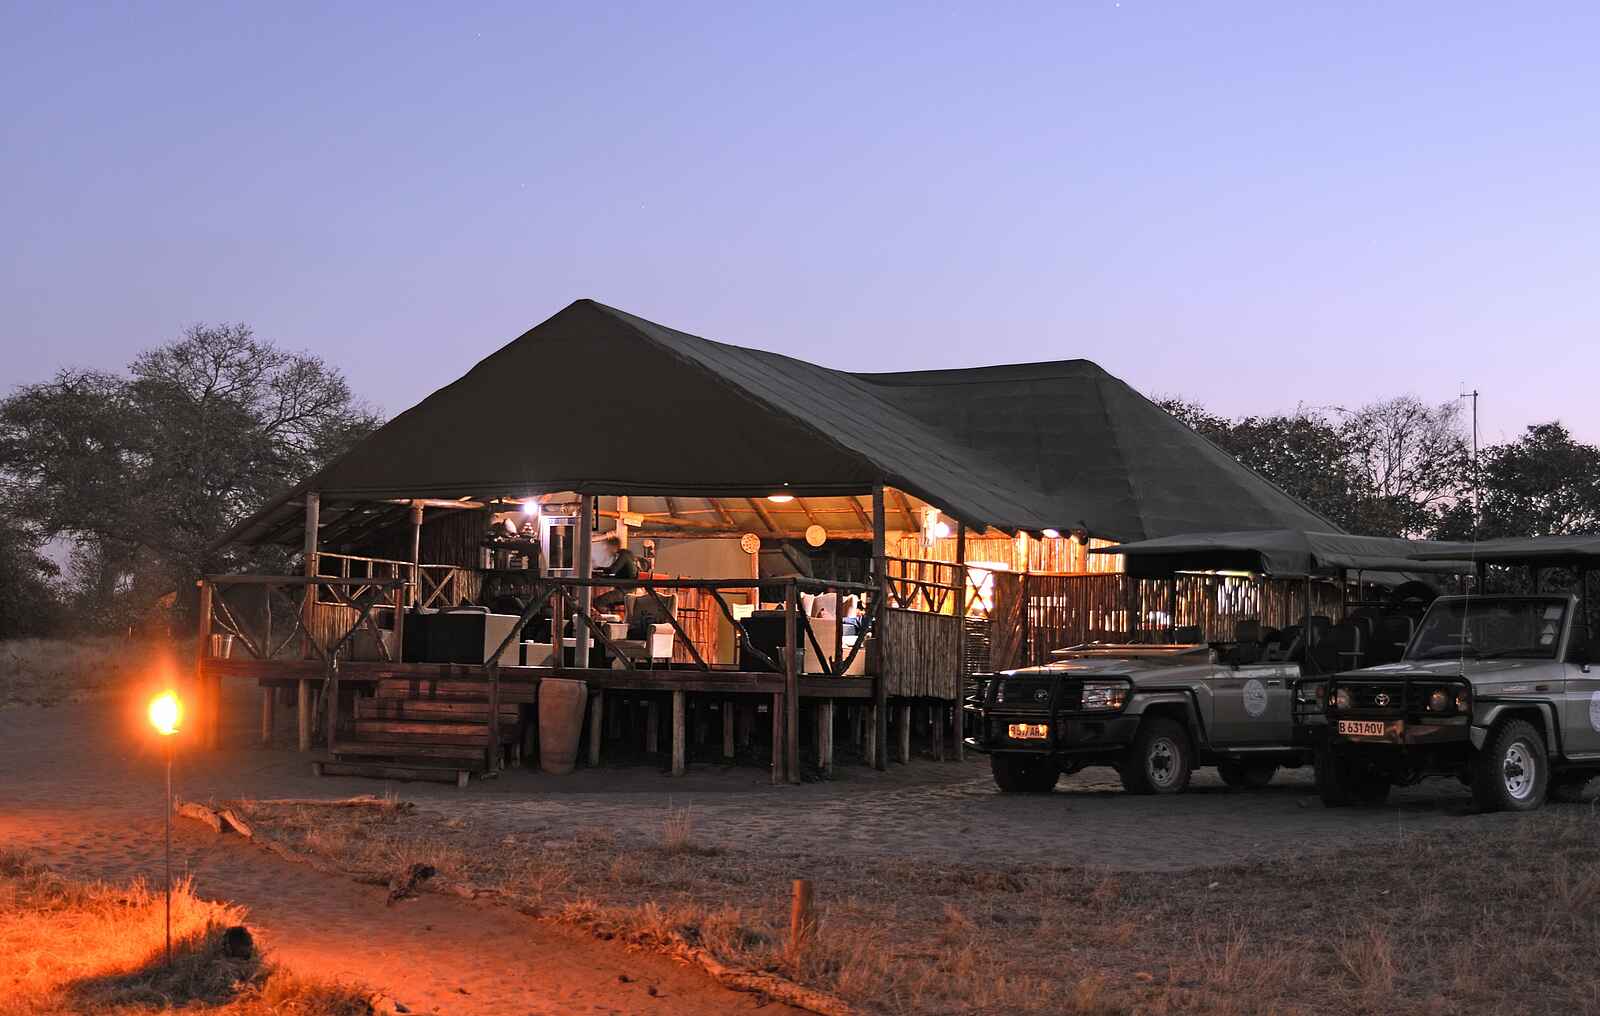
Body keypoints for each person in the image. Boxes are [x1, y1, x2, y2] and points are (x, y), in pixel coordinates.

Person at [593, 535, 640, 613]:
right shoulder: (628, 554)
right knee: (608, 604)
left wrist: (598, 569)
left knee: (598, 602)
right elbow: (617, 575)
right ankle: (610, 616)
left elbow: (612, 570)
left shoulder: (624, 555)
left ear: (613, 546)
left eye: (608, 547)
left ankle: (609, 619)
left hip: (625, 591)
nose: (607, 549)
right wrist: (600, 575)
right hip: (628, 590)